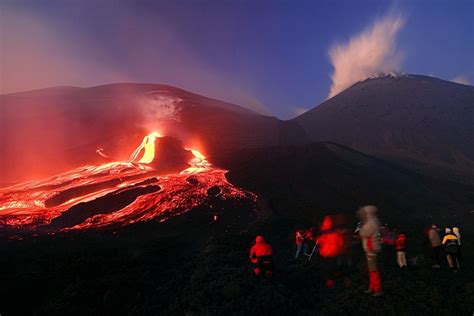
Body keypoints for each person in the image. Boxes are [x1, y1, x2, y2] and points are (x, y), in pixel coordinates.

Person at [357, 205, 383, 297]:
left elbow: (363, 233)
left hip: (371, 249)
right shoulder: (374, 221)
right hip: (372, 249)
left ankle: (377, 290)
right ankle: (372, 287)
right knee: (371, 270)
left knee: (373, 270)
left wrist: (360, 230)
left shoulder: (371, 222)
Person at [317, 215, 345, 288]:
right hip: (333, 253)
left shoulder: (323, 233)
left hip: (324, 253)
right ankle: (332, 280)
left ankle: (327, 281)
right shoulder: (336, 232)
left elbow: (320, 242)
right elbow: (341, 242)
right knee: (332, 266)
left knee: (325, 267)